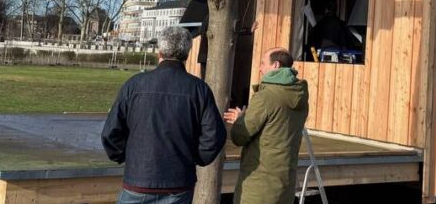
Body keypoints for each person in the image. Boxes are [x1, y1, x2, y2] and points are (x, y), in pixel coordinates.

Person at [102, 26, 226, 204]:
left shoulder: (134, 85)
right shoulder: (199, 89)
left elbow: (111, 132)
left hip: (139, 179)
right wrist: (194, 158)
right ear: (187, 54)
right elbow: (214, 136)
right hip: (177, 182)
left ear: (159, 52)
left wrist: (126, 157)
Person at [224, 47, 309, 204]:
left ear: (275, 65)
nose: (260, 68)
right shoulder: (301, 96)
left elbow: (239, 136)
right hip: (285, 185)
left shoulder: (265, 96)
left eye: (263, 63)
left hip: (259, 187)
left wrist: (239, 120)